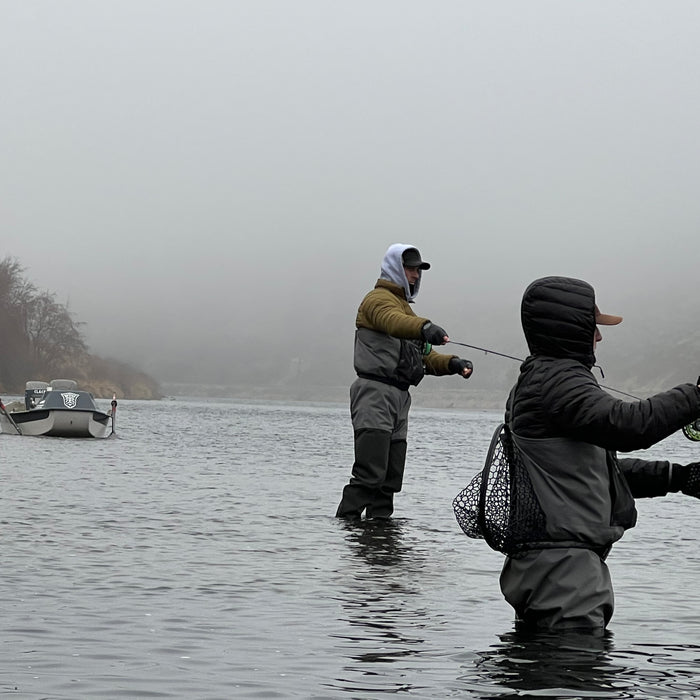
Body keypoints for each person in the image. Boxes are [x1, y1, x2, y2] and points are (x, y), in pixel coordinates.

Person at [499, 275, 700, 631]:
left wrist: (678, 477)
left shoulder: (541, 381)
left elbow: (589, 474)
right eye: (594, 326)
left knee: (544, 679)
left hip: (548, 569)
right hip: (563, 574)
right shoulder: (558, 382)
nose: (599, 336)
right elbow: (630, 425)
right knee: (574, 677)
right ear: (571, 329)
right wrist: (695, 396)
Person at [335, 243, 473, 520]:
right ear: (394, 268)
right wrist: (425, 327)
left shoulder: (407, 312)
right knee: (369, 475)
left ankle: (380, 539)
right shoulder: (376, 300)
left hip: (399, 399)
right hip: (374, 394)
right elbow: (392, 321)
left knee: (389, 480)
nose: (415, 275)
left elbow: (425, 358)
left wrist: (454, 364)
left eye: (418, 270)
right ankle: (345, 533)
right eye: (410, 269)